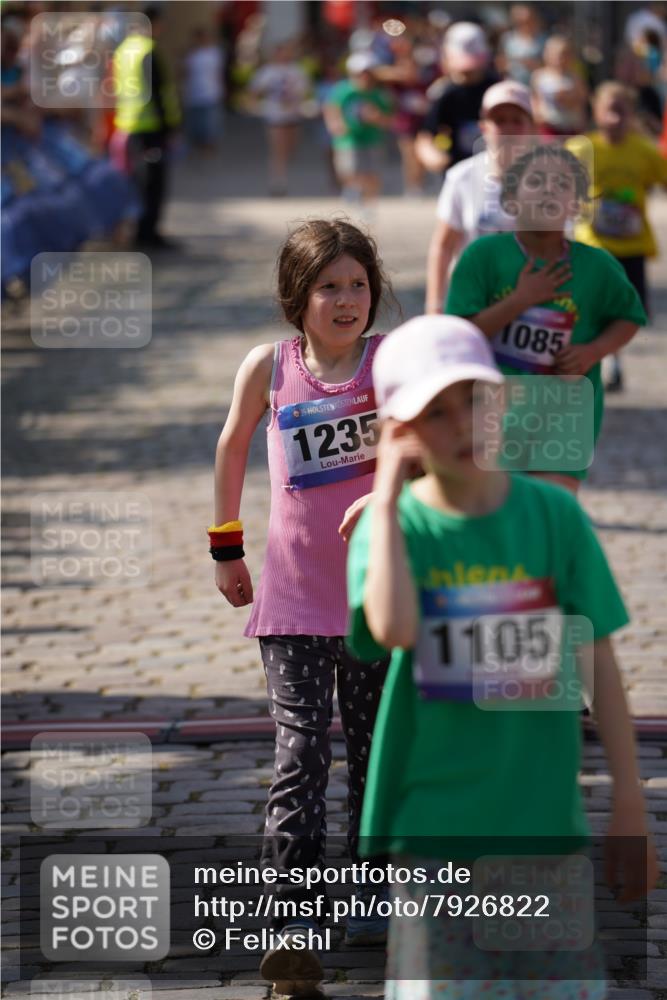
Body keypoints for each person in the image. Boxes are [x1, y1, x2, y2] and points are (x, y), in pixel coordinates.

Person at [346, 314, 659, 1000]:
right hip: (435, 831)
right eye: (435, 412)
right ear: (397, 430)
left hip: (542, 822)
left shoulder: (554, 517)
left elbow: (599, 663)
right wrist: (387, 501)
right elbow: (393, 628)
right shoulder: (393, 529)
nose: (461, 424)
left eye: (474, 400)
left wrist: (629, 801)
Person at [213, 219, 394, 997]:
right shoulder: (269, 366)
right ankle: (293, 919)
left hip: (376, 599)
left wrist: (387, 495)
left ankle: (374, 892)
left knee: (375, 755)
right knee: (299, 757)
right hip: (291, 601)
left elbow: (432, 444)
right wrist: (226, 547)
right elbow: (231, 446)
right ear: (297, 295)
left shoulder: (390, 363)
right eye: (329, 286)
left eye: (357, 285)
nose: (346, 299)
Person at [445, 143, 647, 493]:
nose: (549, 190)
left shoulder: (598, 266)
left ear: (577, 205)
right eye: (536, 181)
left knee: (554, 505)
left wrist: (593, 351)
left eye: (562, 184)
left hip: (565, 410)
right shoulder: (483, 257)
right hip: (494, 409)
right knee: (497, 506)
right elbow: (462, 335)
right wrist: (521, 300)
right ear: (510, 200)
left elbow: (628, 317)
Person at [567, 82, 667, 391]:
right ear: (595, 112)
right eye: (608, 111)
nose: (614, 119)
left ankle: (610, 357)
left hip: (632, 245)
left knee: (628, 312)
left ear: (631, 114)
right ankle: (605, 362)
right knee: (591, 305)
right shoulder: (582, 149)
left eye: (621, 111)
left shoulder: (643, 151)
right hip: (593, 244)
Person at [425, 80, 534, 314]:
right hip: (473, 301)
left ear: (531, 126)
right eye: (499, 120)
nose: (508, 128)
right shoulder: (462, 177)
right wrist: (434, 306)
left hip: (532, 306)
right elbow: (443, 246)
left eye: (517, 120)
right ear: (483, 126)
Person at [111, 4, 181, 250]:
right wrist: (171, 127)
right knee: (153, 184)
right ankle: (148, 232)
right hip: (151, 128)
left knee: (137, 182)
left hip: (128, 124)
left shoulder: (124, 50)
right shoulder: (148, 50)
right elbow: (158, 92)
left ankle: (139, 230)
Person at [416, 22, 498, 176]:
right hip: (458, 171)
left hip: (495, 171)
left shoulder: (498, 90)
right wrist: (432, 155)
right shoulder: (444, 93)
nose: (467, 73)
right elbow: (426, 134)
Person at [324, 51, 394, 215]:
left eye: (368, 73)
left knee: (372, 173)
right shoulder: (344, 90)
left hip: (372, 139)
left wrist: (376, 118)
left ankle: (369, 205)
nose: (364, 77)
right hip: (348, 139)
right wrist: (335, 124)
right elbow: (332, 108)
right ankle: (353, 190)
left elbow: (388, 119)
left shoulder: (378, 94)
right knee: (348, 170)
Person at [249, 40, 310, 196]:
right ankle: (278, 181)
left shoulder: (297, 70)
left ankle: (282, 173)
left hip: (293, 114)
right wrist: (257, 105)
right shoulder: (267, 71)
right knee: (278, 149)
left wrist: (297, 101)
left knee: (291, 148)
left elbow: (304, 91)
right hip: (275, 115)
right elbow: (255, 90)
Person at [531, 35, 589, 138]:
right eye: (556, 54)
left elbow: (582, 100)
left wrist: (569, 99)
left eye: (565, 54)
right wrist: (537, 116)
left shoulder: (576, 78)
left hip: (571, 127)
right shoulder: (539, 76)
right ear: (547, 55)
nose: (561, 58)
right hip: (548, 127)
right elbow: (535, 99)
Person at [182, 27, 224, 153]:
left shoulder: (214, 53)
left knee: (210, 122)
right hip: (194, 93)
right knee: (196, 121)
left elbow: (218, 72)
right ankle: (197, 144)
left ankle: (209, 145)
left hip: (210, 92)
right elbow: (185, 72)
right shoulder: (192, 54)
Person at [498, 3, 546, 86]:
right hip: (513, 84)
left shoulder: (544, 39)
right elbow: (500, 61)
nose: (526, 24)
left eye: (529, 20)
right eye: (521, 21)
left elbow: (550, 64)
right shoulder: (508, 38)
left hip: (538, 85)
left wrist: (534, 65)